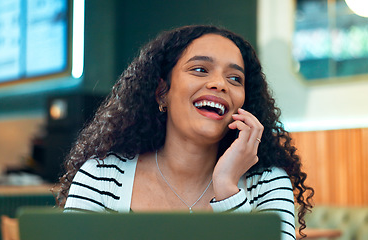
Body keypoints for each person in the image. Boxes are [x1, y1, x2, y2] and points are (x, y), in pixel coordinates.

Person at [57, 25, 313, 239]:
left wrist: (226, 189)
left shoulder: (267, 183)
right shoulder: (101, 177)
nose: (219, 84)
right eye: (200, 69)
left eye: (235, 79)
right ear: (161, 92)